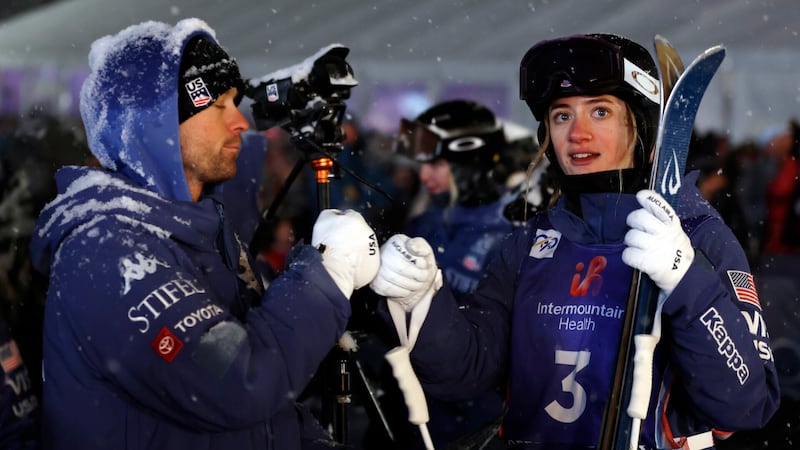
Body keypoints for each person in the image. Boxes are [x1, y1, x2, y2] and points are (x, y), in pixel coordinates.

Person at [370, 33, 779, 449]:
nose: (577, 133)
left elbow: (744, 405)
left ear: (642, 126)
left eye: (599, 111)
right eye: (562, 116)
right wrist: (420, 303)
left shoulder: (698, 236)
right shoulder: (531, 243)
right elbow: (468, 370)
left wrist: (687, 280)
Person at [28, 18, 380, 450]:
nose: (240, 123)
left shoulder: (197, 227)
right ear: (152, 123)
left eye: (236, 103)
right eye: (218, 107)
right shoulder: (107, 248)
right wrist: (327, 274)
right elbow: (237, 381)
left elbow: (267, 418)